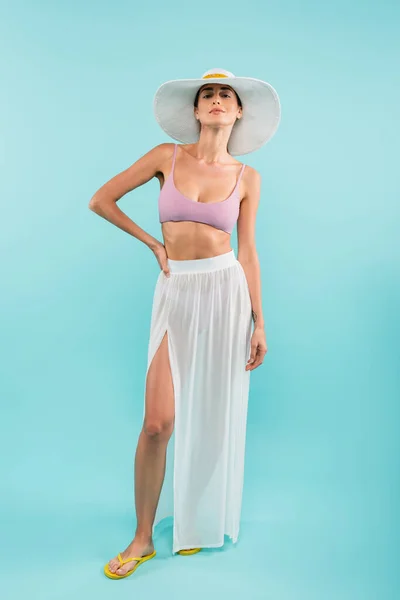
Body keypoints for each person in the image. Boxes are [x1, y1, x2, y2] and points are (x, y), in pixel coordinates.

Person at [89, 67, 281, 580]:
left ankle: (198, 524)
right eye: (208, 95)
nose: (217, 101)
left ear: (238, 112)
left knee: (214, 414)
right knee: (158, 424)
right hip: (178, 291)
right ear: (195, 111)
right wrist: (153, 243)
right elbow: (100, 200)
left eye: (226, 96)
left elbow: (249, 253)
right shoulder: (164, 157)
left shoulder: (248, 178)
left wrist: (260, 322)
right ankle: (142, 538)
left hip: (226, 294)